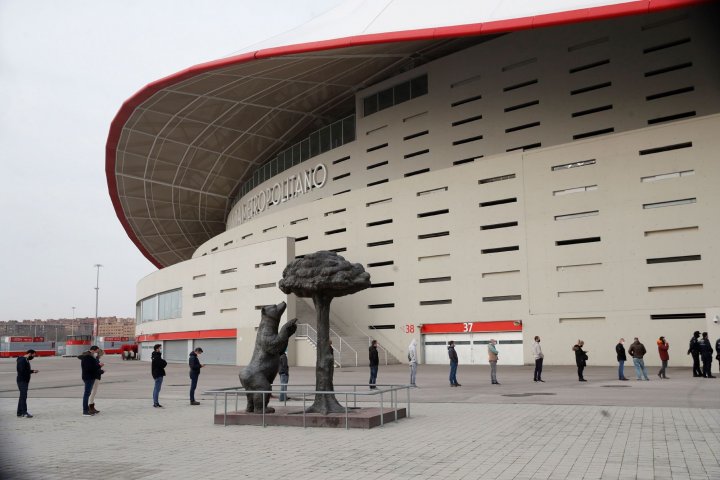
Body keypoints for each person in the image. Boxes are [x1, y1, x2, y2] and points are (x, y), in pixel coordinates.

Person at [79, 346, 101, 416]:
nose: (97, 353)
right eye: (97, 351)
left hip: (89, 377)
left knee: (88, 393)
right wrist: (99, 366)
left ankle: (87, 409)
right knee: (87, 394)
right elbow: (90, 368)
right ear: (93, 351)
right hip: (89, 377)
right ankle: (85, 411)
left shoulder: (89, 357)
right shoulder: (88, 358)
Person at [16, 349, 38, 418]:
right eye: (33, 355)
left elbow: (25, 370)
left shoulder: (25, 360)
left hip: (24, 381)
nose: (33, 357)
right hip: (22, 381)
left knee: (22, 397)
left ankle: (19, 412)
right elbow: (21, 370)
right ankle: (24, 412)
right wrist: (28, 373)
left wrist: (32, 371)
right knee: (23, 397)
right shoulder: (22, 360)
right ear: (30, 354)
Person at [88, 348, 105, 414]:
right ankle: (90, 406)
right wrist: (101, 371)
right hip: (96, 377)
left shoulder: (95, 359)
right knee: (93, 392)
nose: (101, 356)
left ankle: (91, 405)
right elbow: (95, 369)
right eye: (101, 355)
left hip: (95, 377)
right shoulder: (96, 359)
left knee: (93, 392)